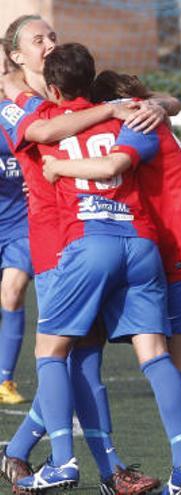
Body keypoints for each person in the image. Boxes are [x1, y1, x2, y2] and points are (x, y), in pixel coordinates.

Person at [9, 43, 181, 495]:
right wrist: (141, 104)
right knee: (154, 354)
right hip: (140, 245)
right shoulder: (126, 117)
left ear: (53, 88)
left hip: (87, 246)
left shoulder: (50, 130)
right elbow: (165, 108)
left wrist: (59, 168)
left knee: (51, 352)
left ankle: (62, 461)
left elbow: (36, 129)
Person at [43, 69, 181, 491]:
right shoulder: (157, 118)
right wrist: (160, 103)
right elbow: (171, 102)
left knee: (178, 357)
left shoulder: (135, 126)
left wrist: (59, 167)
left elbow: (113, 164)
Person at [0, 61, 31, 406]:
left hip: (22, 224)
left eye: (7, 65)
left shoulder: (24, 111)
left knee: (12, 291)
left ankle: (4, 380)